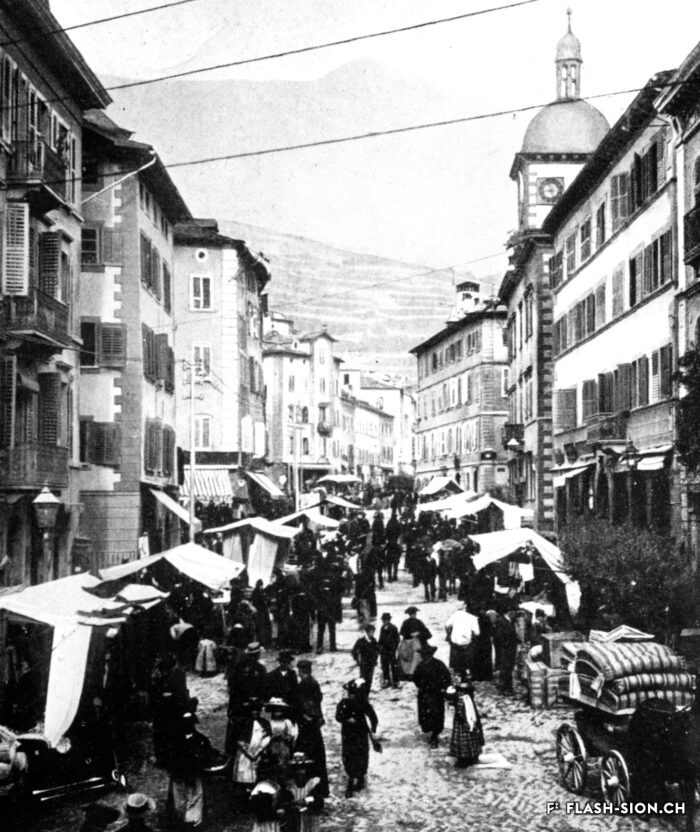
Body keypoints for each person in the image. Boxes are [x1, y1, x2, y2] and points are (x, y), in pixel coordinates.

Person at [166, 711, 216, 830]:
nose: (187, 726)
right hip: (179, 777)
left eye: (190, 723)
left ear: (193, 724)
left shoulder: (201, 740)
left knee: (195, 799)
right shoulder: (174, 740)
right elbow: (169, 758)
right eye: (185, 723)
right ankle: (180, 821)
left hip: (194, 776)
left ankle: (192, 824)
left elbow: (207, 756)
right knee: (179, 801)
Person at [335, 679, 380, 797]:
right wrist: (347, 719)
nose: (351, 696)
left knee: (361, 755)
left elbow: (373, 718)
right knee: (348, 756)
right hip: (348, 735)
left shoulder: (362, 703)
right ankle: (351, 779)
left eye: (354, 693)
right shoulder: (344, 703)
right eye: (350, 693)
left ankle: (360, 777)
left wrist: (373, 732)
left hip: (360, 734)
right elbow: (338, 716)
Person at [295, 660, 329, 797]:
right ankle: (320, 787)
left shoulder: (304, 684)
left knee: (307, 755)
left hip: (307, 725)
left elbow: (305, 705)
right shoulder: (313, 682)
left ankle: (310, 788)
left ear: (301, 671)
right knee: (317, 755)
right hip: (313, 725)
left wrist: (304, 717)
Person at [231, 698, 271, 802]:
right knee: (244, 778)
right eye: (253, 710)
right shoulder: (242, 722)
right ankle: (243, 800)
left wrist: (258, 751)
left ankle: (257, 799)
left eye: (257, 710)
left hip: (258, 753)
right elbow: (239, 739)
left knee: (257, 777)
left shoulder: (264, 723)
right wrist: (249, 753)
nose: (255, 712)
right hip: (244, 755)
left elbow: (267, 737)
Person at [412, 644, 451, 748]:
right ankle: (431, 732)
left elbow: (447, 678)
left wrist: (443, 688)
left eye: (424, 655)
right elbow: (415, 678)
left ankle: (434, 735)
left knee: (435, 714)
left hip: (434, 694)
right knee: (428, 714)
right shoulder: (422, 665)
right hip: (427, 694)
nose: (423, 657)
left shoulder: (437, 664)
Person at [448, 673, 484, 768]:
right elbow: (460, 711)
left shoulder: (465, 698)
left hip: (465, 721)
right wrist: (465, 721)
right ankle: (465, 758)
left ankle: (468, 757)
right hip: (464, 722)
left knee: (467, 739)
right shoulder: (463, 699)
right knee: (465, 739)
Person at [286, 753, 325, 832]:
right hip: (295, 821)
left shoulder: (313, 783)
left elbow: (319, 800)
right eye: (297, 769)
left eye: (302, 769)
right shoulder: (289, 785)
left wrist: (305, 800)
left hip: (310, 821)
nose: (300, 772)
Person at [444, 603, 480, 679]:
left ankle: (458, 672)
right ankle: (468, 671)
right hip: (467, 643)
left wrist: (449, 634)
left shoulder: (454, 616)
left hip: (455, 642)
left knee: (456, 656)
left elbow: (447, 625)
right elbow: (477, 633)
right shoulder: (473, 618)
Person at [266, 698, 298, 776]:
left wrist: (286, 737)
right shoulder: (269, 722)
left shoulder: (286, 722)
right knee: (273, 765)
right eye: (275, 709)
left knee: (283, 765)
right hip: (272, 746)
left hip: (284, 747)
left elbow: (292, 735)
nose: (278, 711)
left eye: (280, 709)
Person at [398, 607, 432, 681]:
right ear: (409, 614)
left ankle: (414, 673)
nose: (413, 615)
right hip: (408, 643)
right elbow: (402, 633)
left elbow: (426, 633)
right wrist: (411, 634)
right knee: (406, 656)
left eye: (414, 613)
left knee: (417, 656)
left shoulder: (418, 622)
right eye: (412, 614)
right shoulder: (406, 622)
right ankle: (409, 673)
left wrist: (418, 633)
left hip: (417, 643)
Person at [493, 610, 519, 695]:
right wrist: (507, 644)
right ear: (510, 612)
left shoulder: (509, 621)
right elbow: (498, 637)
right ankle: (504, 688)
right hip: (505, 650)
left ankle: (508, 687)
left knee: (509, 669)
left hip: (510, 649)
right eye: (514, 613)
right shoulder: (501, 622)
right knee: (505, 669)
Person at [266, 651, 299, 718]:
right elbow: (268, 693)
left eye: (288, 662)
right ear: (280, 662)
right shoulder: (271, 675)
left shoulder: (292, 674)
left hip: (289, 708)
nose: (286, 664)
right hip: (276, 708)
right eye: (284, 662)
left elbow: (295, 691)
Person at [351, 623, 380, 692]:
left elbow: (377, 650)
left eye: (373, 632)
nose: (372, 634)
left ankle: (367, 692)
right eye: (370, 632)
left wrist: (375, 659)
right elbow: (354, 651)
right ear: (367, 632)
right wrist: (357, 660)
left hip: (371, 663)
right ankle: (362, 692)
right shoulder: (361, 641)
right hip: (364, 663)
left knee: (370, 679)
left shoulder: (374, 640)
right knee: (363, 678)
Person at [377, 612, 400, 689]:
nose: (384, 621)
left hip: (391, 650)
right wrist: (379, 647)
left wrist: (394, 647)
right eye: (383, 620)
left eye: (385, 620)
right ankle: (387, 680)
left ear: (389, 620)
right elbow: (380, 638)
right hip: (384, 651)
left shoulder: (393, 628)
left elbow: (397, 639)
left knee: (394, 666)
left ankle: (396, 681)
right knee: (385, 666)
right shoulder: (382, 628)